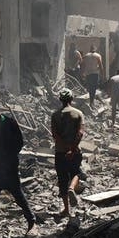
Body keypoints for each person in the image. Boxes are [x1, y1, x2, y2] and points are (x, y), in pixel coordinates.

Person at [0, 98, 36, 238]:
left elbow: (19, 142)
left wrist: (8, 154)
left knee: (18, 196)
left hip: (9, 168)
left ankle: (31, 221)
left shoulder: (9, 123)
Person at [50, 89, 84, 217]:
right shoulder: (78, 113)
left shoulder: (55, 115)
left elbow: (55, 135)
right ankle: (72, 188)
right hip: (75, 151)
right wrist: (72, 148)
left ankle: (66, 209)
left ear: (60, 100)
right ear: (71, 99)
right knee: (77, 172)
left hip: (60, 152)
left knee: (62, 179)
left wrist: (65, 148)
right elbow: (80, 133)